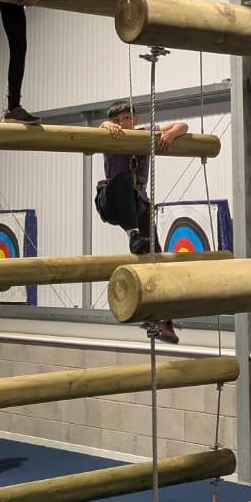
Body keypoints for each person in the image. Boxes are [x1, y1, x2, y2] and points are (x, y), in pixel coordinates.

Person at [98, 100, 189, 344]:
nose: (121, 124)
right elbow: (96, 133)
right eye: (116, 120)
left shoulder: (145, 132)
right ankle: (133, 235)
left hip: (138, 203)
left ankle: (161, 319)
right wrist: (105, 125)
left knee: (155, 258)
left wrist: (170, 134)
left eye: (126, 119)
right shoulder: (110, 133)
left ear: (135, 120)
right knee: (123, 179)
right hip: (112, 201)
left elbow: (183, 125)